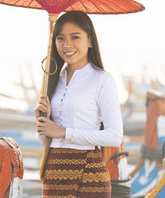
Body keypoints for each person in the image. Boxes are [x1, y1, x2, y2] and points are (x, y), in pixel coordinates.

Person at [35, 11, 123, 198]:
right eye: (60, 38)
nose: (67, 45)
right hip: (54, 173)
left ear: (90, 40)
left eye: (75, 37)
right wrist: (43, 125)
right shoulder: (53, 81)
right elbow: (48, 142)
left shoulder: (102, 80)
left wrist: (64, 132)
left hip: (88, 175)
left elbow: (115, 137)